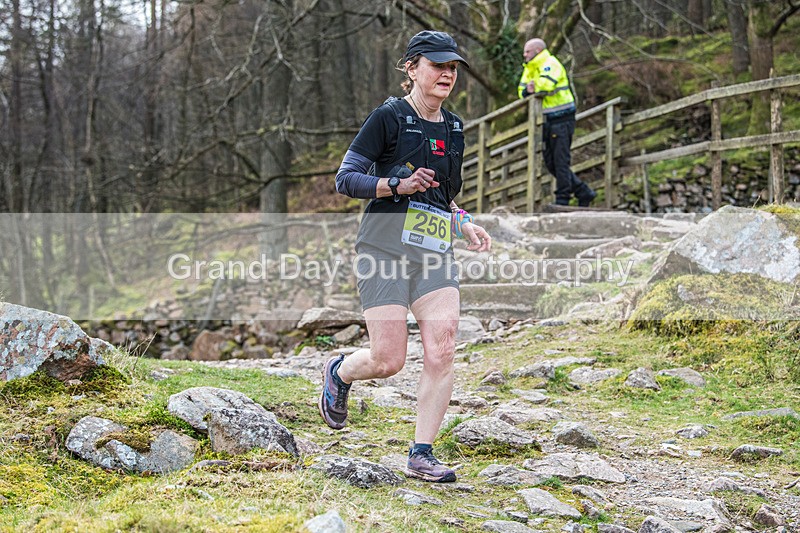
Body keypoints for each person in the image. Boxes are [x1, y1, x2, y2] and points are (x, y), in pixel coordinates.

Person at [320, 30, 491, 483]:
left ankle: (421, 453)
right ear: (412, 68)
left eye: (453, 67)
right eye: (438, 65)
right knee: (388, 359)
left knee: (443, 346)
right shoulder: (389, 118)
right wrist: (396, 184)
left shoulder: (454, 128)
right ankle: (340, 370)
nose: (447, 74)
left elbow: (443, 199)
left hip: (433, 251)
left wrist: (464, 223)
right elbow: (346, 178)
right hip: (383, 248)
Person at [518, 38, 596, 207]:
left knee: (561, 161)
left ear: (537, 51)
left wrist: (534, 87)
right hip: (545, 120)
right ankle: (583, 191)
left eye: (527, 51)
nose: (524, 55)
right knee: (550, 163)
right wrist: (528, 89)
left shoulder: (550, 63)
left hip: (562, 118)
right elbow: (521, 91)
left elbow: (546, 85)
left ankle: (563, 199)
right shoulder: (529, 68)